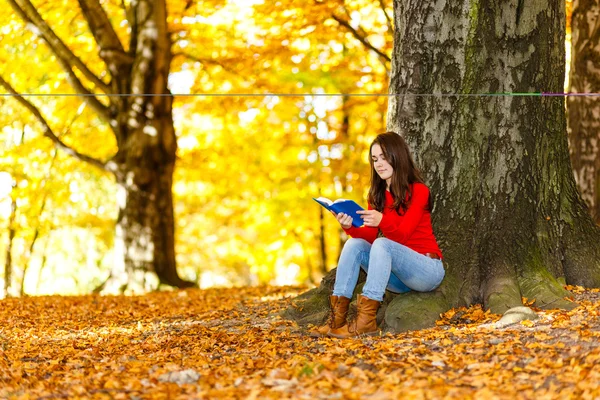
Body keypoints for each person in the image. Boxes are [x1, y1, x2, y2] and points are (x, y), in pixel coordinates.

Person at [311, 132, 444, 338]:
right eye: (374, 159)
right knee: (355, 244)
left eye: (384, 157)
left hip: (426, 271)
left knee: (383, 244)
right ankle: (337, 320)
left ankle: (366, 322)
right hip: (398, 279)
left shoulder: (419, 191)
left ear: (397, 155)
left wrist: (382, 220)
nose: (379, 164)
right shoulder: (377, 195)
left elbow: (402, 235)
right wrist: (348, 226)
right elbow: (370, 239)